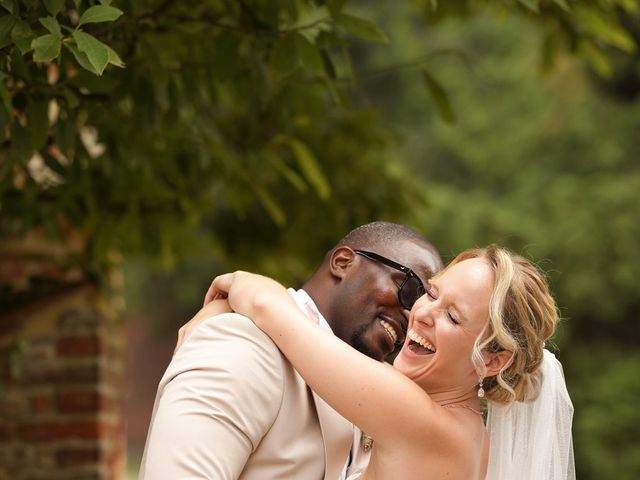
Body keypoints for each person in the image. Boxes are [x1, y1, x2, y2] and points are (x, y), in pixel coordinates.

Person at [204, 246, 575, 480]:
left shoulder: (421, 419)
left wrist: (230, 286)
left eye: (454, 318)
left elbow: (272, 311)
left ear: (494, 360)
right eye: (431, 292)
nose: (424, 313)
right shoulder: (474, 439)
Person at [139, 222, 443, 479]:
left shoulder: (372, 395)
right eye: (411, 291)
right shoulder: (244, 343)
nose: (412, 316)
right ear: (343, 262)